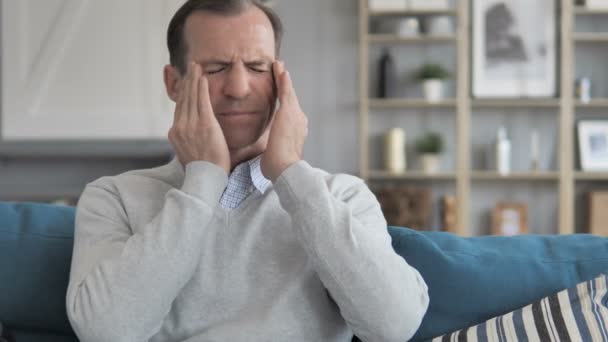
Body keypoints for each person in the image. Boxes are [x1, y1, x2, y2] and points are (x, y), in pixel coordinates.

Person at [66, 1, 429, 341]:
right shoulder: (114, 198)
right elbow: (106, 332)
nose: (239, 89)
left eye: (257, 68)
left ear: (280, 80)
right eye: (216, 69)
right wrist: (203, 180)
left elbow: (393, 327)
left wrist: (290, 173)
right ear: (174, 84)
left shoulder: (340, 196)